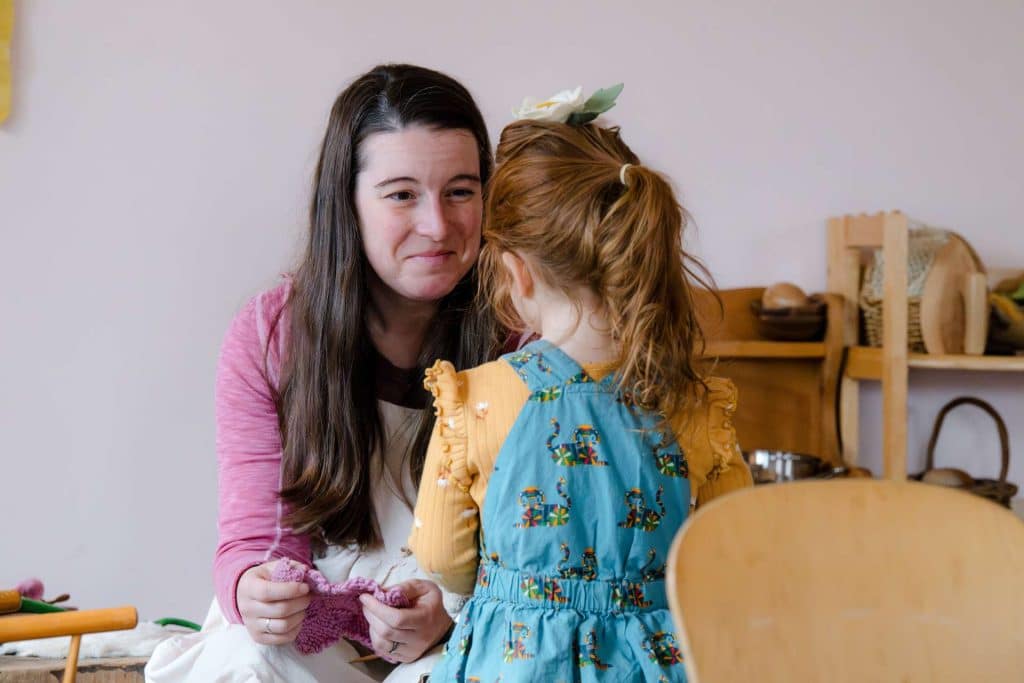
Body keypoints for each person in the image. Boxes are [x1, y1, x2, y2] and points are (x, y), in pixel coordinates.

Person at [146, 63, 499, 683]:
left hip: (464, 628)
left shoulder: (519, 339)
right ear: (347, 202)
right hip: (315, 643)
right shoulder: (272, 336)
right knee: (246, 661)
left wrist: (451, 609)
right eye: (402, 195)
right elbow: (255, 540)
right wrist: (253, 588)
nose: (438, 226)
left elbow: (543, 551)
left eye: (461, 191)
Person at [408, 102, 753, 681]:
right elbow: (732, 552)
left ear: (517, 271)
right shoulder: (694, 406)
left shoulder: (476, 400)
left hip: (515, 660)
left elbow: (441, 553)